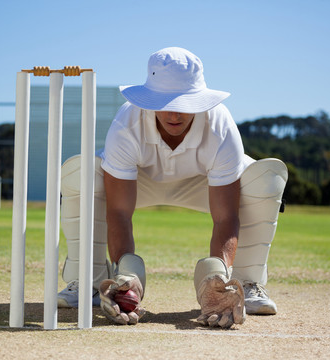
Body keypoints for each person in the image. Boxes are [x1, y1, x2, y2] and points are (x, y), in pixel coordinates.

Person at [57, 47, 288, 328]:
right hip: (140, 182)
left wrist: (217, 275)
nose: (174, 113)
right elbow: (119, 212)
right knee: (80, 173)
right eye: (164, 102)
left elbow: (226, 217)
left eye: (184, 103)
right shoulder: (127, 123)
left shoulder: (220, 125)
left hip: (202, 184)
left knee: (265, 177)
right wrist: (127, 276)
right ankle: (92, 281)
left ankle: (241, 283)